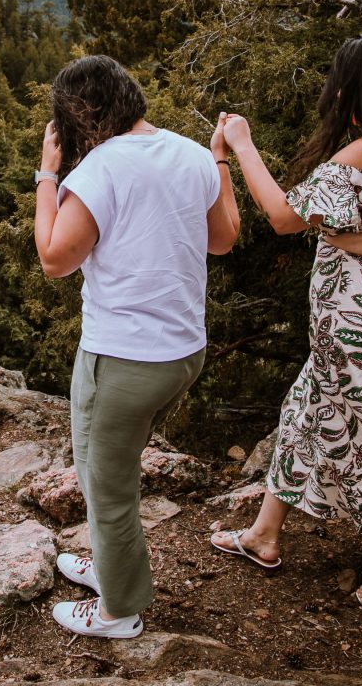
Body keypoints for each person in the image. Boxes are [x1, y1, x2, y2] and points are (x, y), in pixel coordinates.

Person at [209, 33, 362, 621]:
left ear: (354, 93)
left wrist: (239, 147)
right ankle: (264, 535)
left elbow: (281, 218)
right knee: (307, 411)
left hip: (356, 331)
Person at [33, 54, 240, 638]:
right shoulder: (192, 154)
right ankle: (109, 564)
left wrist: (47, 175)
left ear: (78, 116)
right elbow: (223, 240)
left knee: (107, 484)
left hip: (122, 357)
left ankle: (119, 610)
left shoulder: (99, 169)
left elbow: (54, 258)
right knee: (108, 469)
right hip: (183, 351)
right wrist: (221, 160)